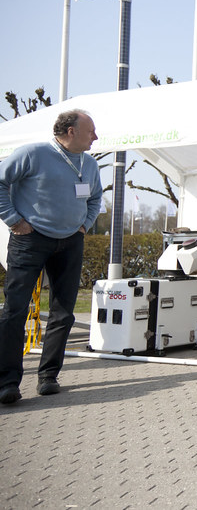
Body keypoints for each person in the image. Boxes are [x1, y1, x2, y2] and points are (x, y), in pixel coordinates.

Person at [0, 109, 102, 405]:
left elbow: (95, 197)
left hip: (71, 242)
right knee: (15, 310)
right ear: (71, 131)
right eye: (91, 131)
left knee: (63, 312)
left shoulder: (89, 163)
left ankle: (48, 376)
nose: (95, 137)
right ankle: (7, 382)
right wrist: (13, 220)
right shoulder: (32, 154)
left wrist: (85, 225)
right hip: (29, 240)